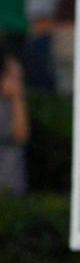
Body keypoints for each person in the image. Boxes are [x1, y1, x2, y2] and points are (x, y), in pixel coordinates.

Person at [0, 47, 28, 194]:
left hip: (12, 186)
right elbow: (20, 134)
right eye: (14, 76)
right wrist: (17, 97)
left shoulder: (9, 103)